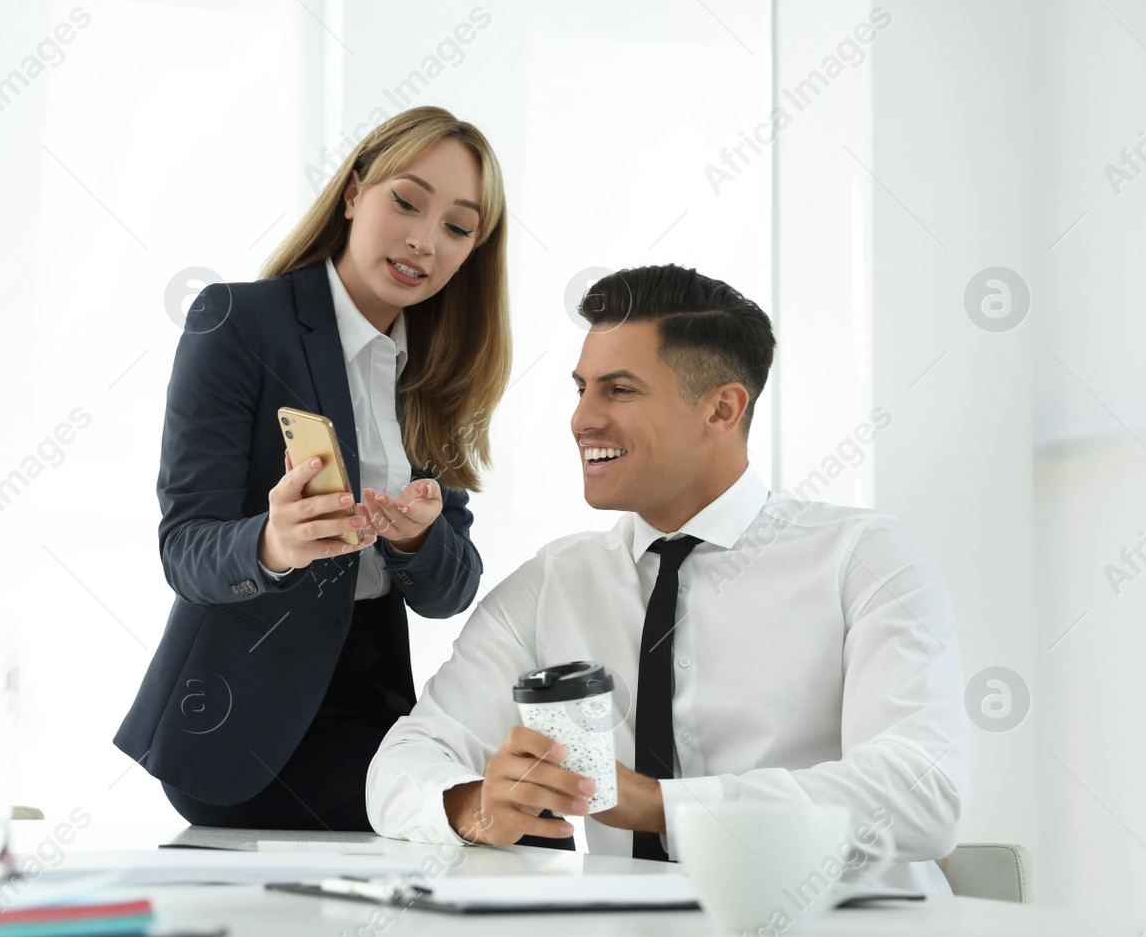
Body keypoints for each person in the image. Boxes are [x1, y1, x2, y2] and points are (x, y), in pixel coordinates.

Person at [366, 264, 968, 892]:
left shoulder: (865, 557)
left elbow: (924, 792)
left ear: (722, 408)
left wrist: (661, 806)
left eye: (619, 390)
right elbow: (399, 767)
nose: (583, 420)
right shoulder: (555, 582)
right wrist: (475, 806)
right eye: (581, 389)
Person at [113, 107, 513, 831]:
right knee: (490, 814)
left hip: (376, 708)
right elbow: (185, 549)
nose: (425, 240)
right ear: (355, 192)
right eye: (407, 201)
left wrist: (420, 540)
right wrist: (273, 544)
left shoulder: (437, 368)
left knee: (516, 808)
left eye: (458, 227)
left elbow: (453, 588)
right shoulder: (238, 321)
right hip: (242, 726)